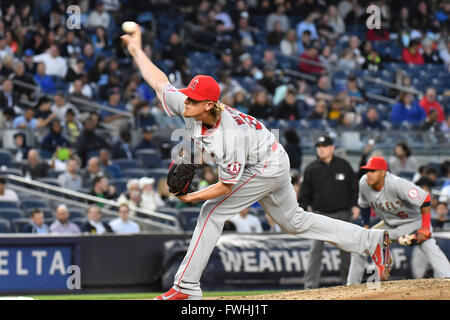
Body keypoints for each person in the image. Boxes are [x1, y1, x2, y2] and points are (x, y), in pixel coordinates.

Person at [121, 24, 391, 300]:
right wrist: (137, 50)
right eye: (188, 96)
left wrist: (192, 197)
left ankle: (186, 287)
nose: (186, 102)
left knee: (211, 211)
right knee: (295, 222)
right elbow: (159, 82)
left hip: (266, 165)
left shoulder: (228, 136)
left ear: (209, 105)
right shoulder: (192, 108)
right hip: (269, 155)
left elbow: (226, 186)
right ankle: (370, 241)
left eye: (194, 100)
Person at [347, 157, 450, 284]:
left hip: (413, 224)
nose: (368, 174)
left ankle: (448, 281)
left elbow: (425, 199)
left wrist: (424, 227)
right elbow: (364, 206)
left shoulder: (397, 184)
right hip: (389, 225)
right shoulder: (364, 183)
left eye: (373, 171)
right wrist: (366, 225)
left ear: (383, 172)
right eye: (367, 171)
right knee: (361, 244)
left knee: (431, 250)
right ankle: (351, 286)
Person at [299, 136, 360, 289]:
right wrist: (303, 209)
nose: (321, 149)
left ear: (332, 148)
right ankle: (310, 287)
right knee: (315, 252)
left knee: (346, 251)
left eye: (324, 146)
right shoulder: (311, 168)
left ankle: (350, 284)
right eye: (318, 146)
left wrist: (355, 205)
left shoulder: (344, 165)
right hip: (319, 216)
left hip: (342, 215)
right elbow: (304, 193)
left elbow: (354, 188)